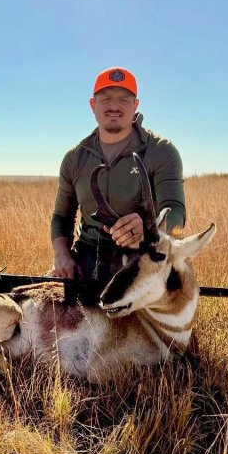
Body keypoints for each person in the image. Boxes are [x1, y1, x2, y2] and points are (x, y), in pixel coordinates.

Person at [50, 67, 186, 303]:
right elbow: (61, 218)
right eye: (106, 99)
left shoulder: (161, 151)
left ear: (135, 105)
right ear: (93, 105)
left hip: (142, 260)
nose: (115, 106)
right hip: (85, 262)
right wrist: (62, 256)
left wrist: (148, 228)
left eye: (124, 99)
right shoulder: (74, 158)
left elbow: (176, 213)